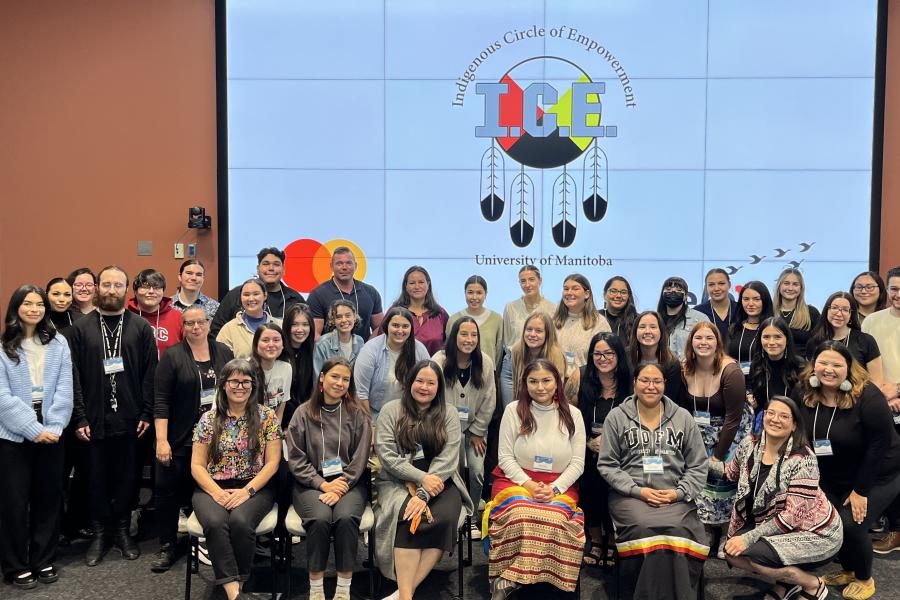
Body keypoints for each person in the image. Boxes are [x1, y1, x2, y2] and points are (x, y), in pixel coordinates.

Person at [793, 342, 900, 600]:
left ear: (848, 368)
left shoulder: (868, 395)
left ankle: (865, 579)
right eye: (823, 363)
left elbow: (879, 445)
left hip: (879, 473)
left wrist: (861, 490)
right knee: (832, 520)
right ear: (814, 364)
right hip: (834, 473)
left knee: (852, 525)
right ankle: (850, 570)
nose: (829, 370)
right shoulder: (804, 390)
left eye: (837, 365)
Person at [67, 266, 157, 566]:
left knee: (127, 477)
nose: (111, 290)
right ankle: (99, 534)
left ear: (126, 289)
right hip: (92, 420)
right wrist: (79, 417)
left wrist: (147, 411)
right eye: (106, 284)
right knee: (94, 477)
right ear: (97, 288)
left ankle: (121, 531)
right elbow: (73, 376)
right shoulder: (79, 330)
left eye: (117, 285)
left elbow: (150, 374)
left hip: (132, 419)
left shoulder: (141, 328)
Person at [598, 361, 709, 599]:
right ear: (635, 383)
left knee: (679, 530)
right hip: (631, 497)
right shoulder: (617, 417)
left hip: (674, 497)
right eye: (645, 380)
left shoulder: (683, 417)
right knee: (644, 528)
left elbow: (699, 465)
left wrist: (678, 493)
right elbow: (607, 465)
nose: (651, 386)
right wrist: (639, 491)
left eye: (657, 381)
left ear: (664, 384)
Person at [713, 396, 841, 600]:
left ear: (794, 425)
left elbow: (792, 518)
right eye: (771, 413)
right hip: (772, 523)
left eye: (784, 416)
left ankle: (812, 584)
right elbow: (730, 473)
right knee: (730, 553)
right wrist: (695, 462)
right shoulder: (750, 444)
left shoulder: (803, 459)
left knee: (755, 555)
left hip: (817, 532)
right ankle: (786, 585)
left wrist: (748, 538)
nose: (775, 419)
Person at [373, 360, 473, 600]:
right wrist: (420, 479)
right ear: (410, 383)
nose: (424, 387)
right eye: (420, 381)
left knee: (445, 518)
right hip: (398, 479)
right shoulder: (391, 410)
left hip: (442, 479)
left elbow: (448, 460)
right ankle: (406, 596)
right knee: (409, 516)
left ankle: (402, 595)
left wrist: (424, 493)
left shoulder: (448, 413)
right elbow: (387, 456)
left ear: (439, 387)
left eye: (431, 382)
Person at [486, 358, 585, 598]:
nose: (540, 387)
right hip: (515, 480)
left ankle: (541, 579)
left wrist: (554, 489)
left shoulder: (573, 414)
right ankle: (507, 578)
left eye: (546, 380)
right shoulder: (513, 410)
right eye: (533, 381)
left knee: (556, 518)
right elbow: (505, 458)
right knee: (521, 513)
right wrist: (530, 485)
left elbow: (578, 463)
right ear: (524, 383)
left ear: (557, 383)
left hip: (560, 484)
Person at [0, 285, 73, 589]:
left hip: (53, 432)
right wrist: (33, 428)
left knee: (49, 499)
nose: (34, 309)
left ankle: (43, 559)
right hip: (13, 437)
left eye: (39, 304)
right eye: (27, 303)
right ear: (16, 308)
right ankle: (15, 564)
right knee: (14, 502)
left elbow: (65, 387)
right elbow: (2, 397)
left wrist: (54, 427)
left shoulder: (58, 343)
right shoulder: (4, 346)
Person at [191, 358, 281, 600]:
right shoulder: (208, 420)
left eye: (246, 381)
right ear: (223, 385)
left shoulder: (267, 417)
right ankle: (235, 592)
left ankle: (237, 583)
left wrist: (247, 492)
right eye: (234, 381)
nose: (240, 386)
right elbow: (197, 466)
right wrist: (216, 492)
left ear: (253, 386)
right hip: (212, 486)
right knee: (214, 521)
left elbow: (272, 463)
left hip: (255, 486)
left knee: (241, 521)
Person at [152, 305, 234, 572]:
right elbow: (161, 400)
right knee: (168, 493)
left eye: (200, 322)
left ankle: (206, 543)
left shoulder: (223, 352)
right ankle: (167, 545)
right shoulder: (173, 356)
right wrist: (161, 440)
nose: (195, 327)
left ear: (209, 324)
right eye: (189, 323)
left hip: (217, 440)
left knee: (206, 495)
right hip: (181, 438)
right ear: (183, 327)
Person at [285, 357, 372, 600]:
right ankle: (316, 590)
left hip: (349, 483)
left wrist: (341, 486)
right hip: (310, 483)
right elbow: (295, 458)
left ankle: (343, 588)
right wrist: (322, 484)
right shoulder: (302, 413)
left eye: (346, 379)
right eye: (335, 376)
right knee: (320, 519)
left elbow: (360, 458)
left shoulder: (358, 414)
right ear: (322, 378)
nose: (340, 383)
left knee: (345, 518)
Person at [677, 321, 752, 554]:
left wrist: (719, 456)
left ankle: (728, 532)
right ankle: (707, 530)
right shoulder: (684, 368)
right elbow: (682, 408)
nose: (704, 343)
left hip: (731, 432)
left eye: (709, 338)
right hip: (699, 432)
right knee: (699, 484)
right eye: (698, 338)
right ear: (691, 342)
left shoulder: (731, 371)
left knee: (725, 482)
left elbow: (734, 417)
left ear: (717, 342)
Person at [432, 317, 496, 528]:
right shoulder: (439, 361)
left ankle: (472, 514)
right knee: (453, 470)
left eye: (473, 335)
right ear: (454, 336)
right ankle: (453, 514)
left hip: (475, 429)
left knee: (476, 470)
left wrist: (477, 431)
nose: (469, 339)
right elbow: (430, 396)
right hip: (443, 429)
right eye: (464, 334)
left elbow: (489, 399)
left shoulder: (485, 362)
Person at [577, 332, 631, 567]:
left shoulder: (630, 385)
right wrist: (588, 442)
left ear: (619, 355)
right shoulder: (581, 379)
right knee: (589, 487)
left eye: (609, 353)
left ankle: (613, 542)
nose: (603, 358)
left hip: (622, 454)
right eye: (597, 353)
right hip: (587, 450)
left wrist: (609, 444)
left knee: (614, 490)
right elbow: (570, 418)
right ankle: (597, 541)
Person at [861, 267, 900, 554]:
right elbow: (863, 365)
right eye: (895, 288)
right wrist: (881, 394)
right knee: (887, 468)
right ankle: (893, 529)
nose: (899, 295)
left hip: (896, 396)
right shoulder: (872, 321)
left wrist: (897, 390)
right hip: (879, 404)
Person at [354, 306, 429, 420]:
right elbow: (361, 394)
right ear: (386, 326)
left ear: (411, 328)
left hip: (411, 416)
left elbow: (429, 385)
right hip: (375, 416)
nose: (400, 330)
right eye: (395, 325)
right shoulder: (370, 350)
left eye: (405, 326)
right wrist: (370, 427)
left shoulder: (419, 350)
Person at [211, 247, 305, 335]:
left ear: (283, 270)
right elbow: (216, 330)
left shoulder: (295, 299)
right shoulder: (236, 295)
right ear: (258, 269)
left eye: (276, 264)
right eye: (266, 264)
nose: (271, 268)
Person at [806, 292, 883, 386]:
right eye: (834, 308)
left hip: (859, 397)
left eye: (845, 310)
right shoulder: (814, 342)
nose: (839, 314)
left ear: (851, 314)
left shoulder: (866, 341)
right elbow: (810, 376)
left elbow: (877, 382)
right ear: (827, 310)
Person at [307, 246, 383, 340]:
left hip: (364, 352)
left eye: (348, 263)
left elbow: (379, 328)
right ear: (331, 266)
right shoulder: (317, 294)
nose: (344, 267)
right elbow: (315, 333)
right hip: (331, 353)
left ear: (355, 266)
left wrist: (368, 349)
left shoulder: (371, 292)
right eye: (339, 264)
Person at [500, 311, 568, 407]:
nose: (532, 334)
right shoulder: (517, 350)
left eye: (538, 331)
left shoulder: (556, 354)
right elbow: (516, 388)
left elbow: (557, 391)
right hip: (522, 403)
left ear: (547, 334)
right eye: (529, 329)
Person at [382, 266, 449, 355]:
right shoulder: (394, 312)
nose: (417, 287)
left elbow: (450, 344)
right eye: (412, 283)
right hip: (399, 367)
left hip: (433, 367)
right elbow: (381, 343)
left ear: (428, 284)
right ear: (405, 286)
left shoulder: (441, 314)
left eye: (421, 282)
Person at [748, 317, 806, 418]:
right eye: (766, 337)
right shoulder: (756, 365)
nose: (771, 342)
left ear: (787, 339)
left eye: (777, 337)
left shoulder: (799, 366)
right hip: (766, 422)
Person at [553, 273, 611, 373]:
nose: (569, 292)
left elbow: (607, 357)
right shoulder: (553, 321)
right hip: (556, 383)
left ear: (587, 294)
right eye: (566, 289)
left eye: (575, 289)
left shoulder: (599, 323)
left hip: (587, 383)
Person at [446, 275, 503, 366]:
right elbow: (449, 349)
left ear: (486, 294)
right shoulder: (454, 319)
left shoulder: (497, 319)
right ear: (465, 293)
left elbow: (499, 351)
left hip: (488, 373)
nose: (474, 297)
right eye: (470, 292)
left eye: (479, 293)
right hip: (457, 373)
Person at [127, 268, 184, 357]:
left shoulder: (178, 317)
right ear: (135, 291)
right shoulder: (125, 317)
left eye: (157, 287)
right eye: (145, 287)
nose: (151, 291)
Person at [216, 278, 276, 359]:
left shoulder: (279, 325)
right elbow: (221, 362)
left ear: (265, 296)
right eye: (246, 295)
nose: (251, 299)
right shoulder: (228, 329)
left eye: (256, 294)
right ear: (240, 297)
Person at [627, 310, 682, 397]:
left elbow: (671, 398)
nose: (647, 331)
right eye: (642, 327)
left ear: (661, 332)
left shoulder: (672, 363)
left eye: (653, 327)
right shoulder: (625, 357)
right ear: (635, 331)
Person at [656, 276, 709, 361]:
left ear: (686, 296)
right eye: (668, 288)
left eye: (678, 289)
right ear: (662, 294)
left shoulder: (700, 319)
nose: (673, 291)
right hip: (659, 370)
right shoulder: (655, 320)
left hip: (689, 370)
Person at [728, 281, 774, 374]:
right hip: (736, 381)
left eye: (756, 299)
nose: (750, 304)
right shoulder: (734, 328)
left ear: (765, 301)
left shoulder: (773, 328)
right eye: (746, 299)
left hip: (764, 381)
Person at [251, 323, 293, 424]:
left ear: (283, 345)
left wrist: (275, 434)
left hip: (271, 431)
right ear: (256, 344)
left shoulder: (286, 368)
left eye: (276, 340)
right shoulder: (246, 370)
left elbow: (280, 409)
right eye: (265, 340)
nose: (271, 344)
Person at [313, 300, 365, 375]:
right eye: (339, 317)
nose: (344, 320)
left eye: (348, 315)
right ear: (333, 320)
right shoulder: (322, 344)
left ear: (354, 317)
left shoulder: (360, 341)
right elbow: (317, 377)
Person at [284, 304, 315, 425]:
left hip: (306, 419)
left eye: (305, 324)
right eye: (294, 324)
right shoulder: (279, 353)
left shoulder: (313, 352)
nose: (300, 329)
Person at [773, 268, 820, 349]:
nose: (790, 288)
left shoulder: (811, 313)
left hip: (803, 361)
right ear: (779, 286)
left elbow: (821, 342)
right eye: (786, 283)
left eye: (795, 284)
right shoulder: (769, 311)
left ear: (801, 288)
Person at [695, 268, 738, 342]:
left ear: (729, 285)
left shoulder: (740, 309)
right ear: (706, 287)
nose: (716, 288)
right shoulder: (697, 312)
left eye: (721, 283)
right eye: (711, 285)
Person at [598, 276, 638, 341]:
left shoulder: (638, 320)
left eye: (623, 292)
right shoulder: (593, 317)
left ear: (628, 296)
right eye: (613, 291)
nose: (618, 296)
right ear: (604, 295)